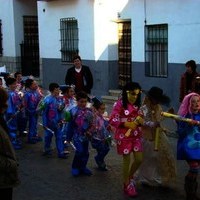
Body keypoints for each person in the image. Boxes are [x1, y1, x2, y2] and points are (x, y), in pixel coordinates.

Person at [109, 82, 145, 197]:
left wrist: (140, 121)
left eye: (137, 94)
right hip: (124, 137)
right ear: (126, 92)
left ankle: (129, 178)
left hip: (136, 135)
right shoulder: (119, 104)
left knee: (139, 159)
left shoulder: (138, 105)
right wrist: (126, 124)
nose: (135, 97)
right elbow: (112, 119)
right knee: (127, 160)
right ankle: (126, 184)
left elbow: (139, 117)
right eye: (132, 94)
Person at [135, 87, 177, 186]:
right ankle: (145, 178)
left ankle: (158, 178)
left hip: (158, 135)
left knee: (159, 157)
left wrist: (167, 114)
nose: (157, 101)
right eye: (155, 98)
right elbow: (141, 121)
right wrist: (151, 124)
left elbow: (159, 119)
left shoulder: (158, 107)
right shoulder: (144, 108)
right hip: (147, 136)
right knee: (148, 157)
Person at [177, 92, 200, 200]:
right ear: (189, 104)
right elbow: (180, 133)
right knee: (194, 167)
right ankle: (190, 193)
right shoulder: (185, 117)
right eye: (193, 102)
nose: (196, 104)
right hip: (188, 147)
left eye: (198, 101)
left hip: (198, 147)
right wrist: (187, 125)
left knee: (195, 170)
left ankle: (193, 190)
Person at [66, 91, 94, 176]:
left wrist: (90, 132)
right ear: (77, 101)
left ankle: (83, 167)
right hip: (77, 136)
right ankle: (75, 167)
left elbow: (92, 124)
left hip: (86, 136)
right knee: (79, 151)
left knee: (86, 152)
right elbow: (70, 125)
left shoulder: (89, 111)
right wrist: (68, 137)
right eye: (81, 101)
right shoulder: (73, 111)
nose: (83, 103)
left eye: (85, 101)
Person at [0, 87, 20, 200]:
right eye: (4, 102)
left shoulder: (1, 120)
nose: (6, 106)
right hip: (3, 176)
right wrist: (11, 163)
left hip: (5, 178)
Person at [42, 83, 67, 159]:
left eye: (58, 89)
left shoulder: (59, 99)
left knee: (59, 137)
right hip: (49, 123)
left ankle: (61, 152)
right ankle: (47, 149)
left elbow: (61, 110)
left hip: (58, 122)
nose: (58, 91)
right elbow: (44, 113)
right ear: (52, 90)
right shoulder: (47, 99)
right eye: (56, 89)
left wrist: (62, 119)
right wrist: (45, 123)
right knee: (48, 136)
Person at [90, 97, 112, 171]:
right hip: (97, 138)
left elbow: (104, 125)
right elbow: (95, 128)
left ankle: (101, 162)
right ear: (96, 109)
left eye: (104, 109)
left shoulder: (101, 116)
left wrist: (107, 125)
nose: (103, 111)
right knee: (103, 149)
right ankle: (99, 160)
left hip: (103, 137)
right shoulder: (95, 117)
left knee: (105, 149)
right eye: (101, 109)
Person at [5, 77, 23, 150]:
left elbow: (17, 102)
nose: (15, 85)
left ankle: (15, 140)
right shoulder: (8, 94)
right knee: (11, 128)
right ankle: (13, 143)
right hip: (12, 114)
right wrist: (11, 113)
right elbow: (9, 105)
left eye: (16, 83)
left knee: (15, 127)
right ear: (9, 85)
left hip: (15, 113)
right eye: (13, 84)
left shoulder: (14, 92)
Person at [24, 78, 42, 144]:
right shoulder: (27, 94)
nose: (36, 85)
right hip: (31, 112)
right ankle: (30, 138)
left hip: (36, 111)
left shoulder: (36, 92)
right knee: (32, 124)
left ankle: (34, 135)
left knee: (35, 124)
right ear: (30, 86)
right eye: (34, 84)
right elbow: (25, 105)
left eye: (36, 84)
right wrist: (29, 111)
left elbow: (39, 101)